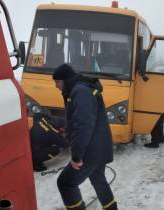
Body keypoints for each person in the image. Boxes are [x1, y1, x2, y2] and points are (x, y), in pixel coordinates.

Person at [53, 64, 117, 210]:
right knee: (98, 180)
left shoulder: (80, 92)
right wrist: (67, 128)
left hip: (91, 150)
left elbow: (84, 125)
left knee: (66, 183)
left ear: (65, 79)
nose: (56, 86)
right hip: (98, 147)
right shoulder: (80, 89)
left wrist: (77, 156)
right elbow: (80, 120)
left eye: (57, 82)